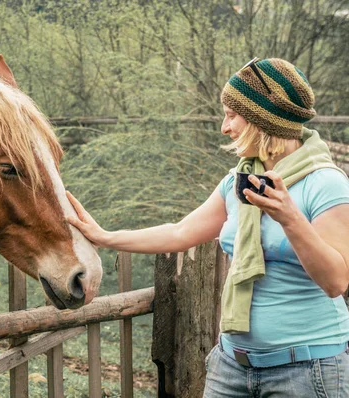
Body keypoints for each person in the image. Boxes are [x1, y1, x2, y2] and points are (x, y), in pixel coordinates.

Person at [66, 57, 349, 397]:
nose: (224, 127)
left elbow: (335, 281)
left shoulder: (326, 183)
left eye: (232, 115)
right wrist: (106, 236)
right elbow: (180, 232)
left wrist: (290, 218)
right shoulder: (239, 180)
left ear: (264, 119)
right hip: (231, 366)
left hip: (306, 372)